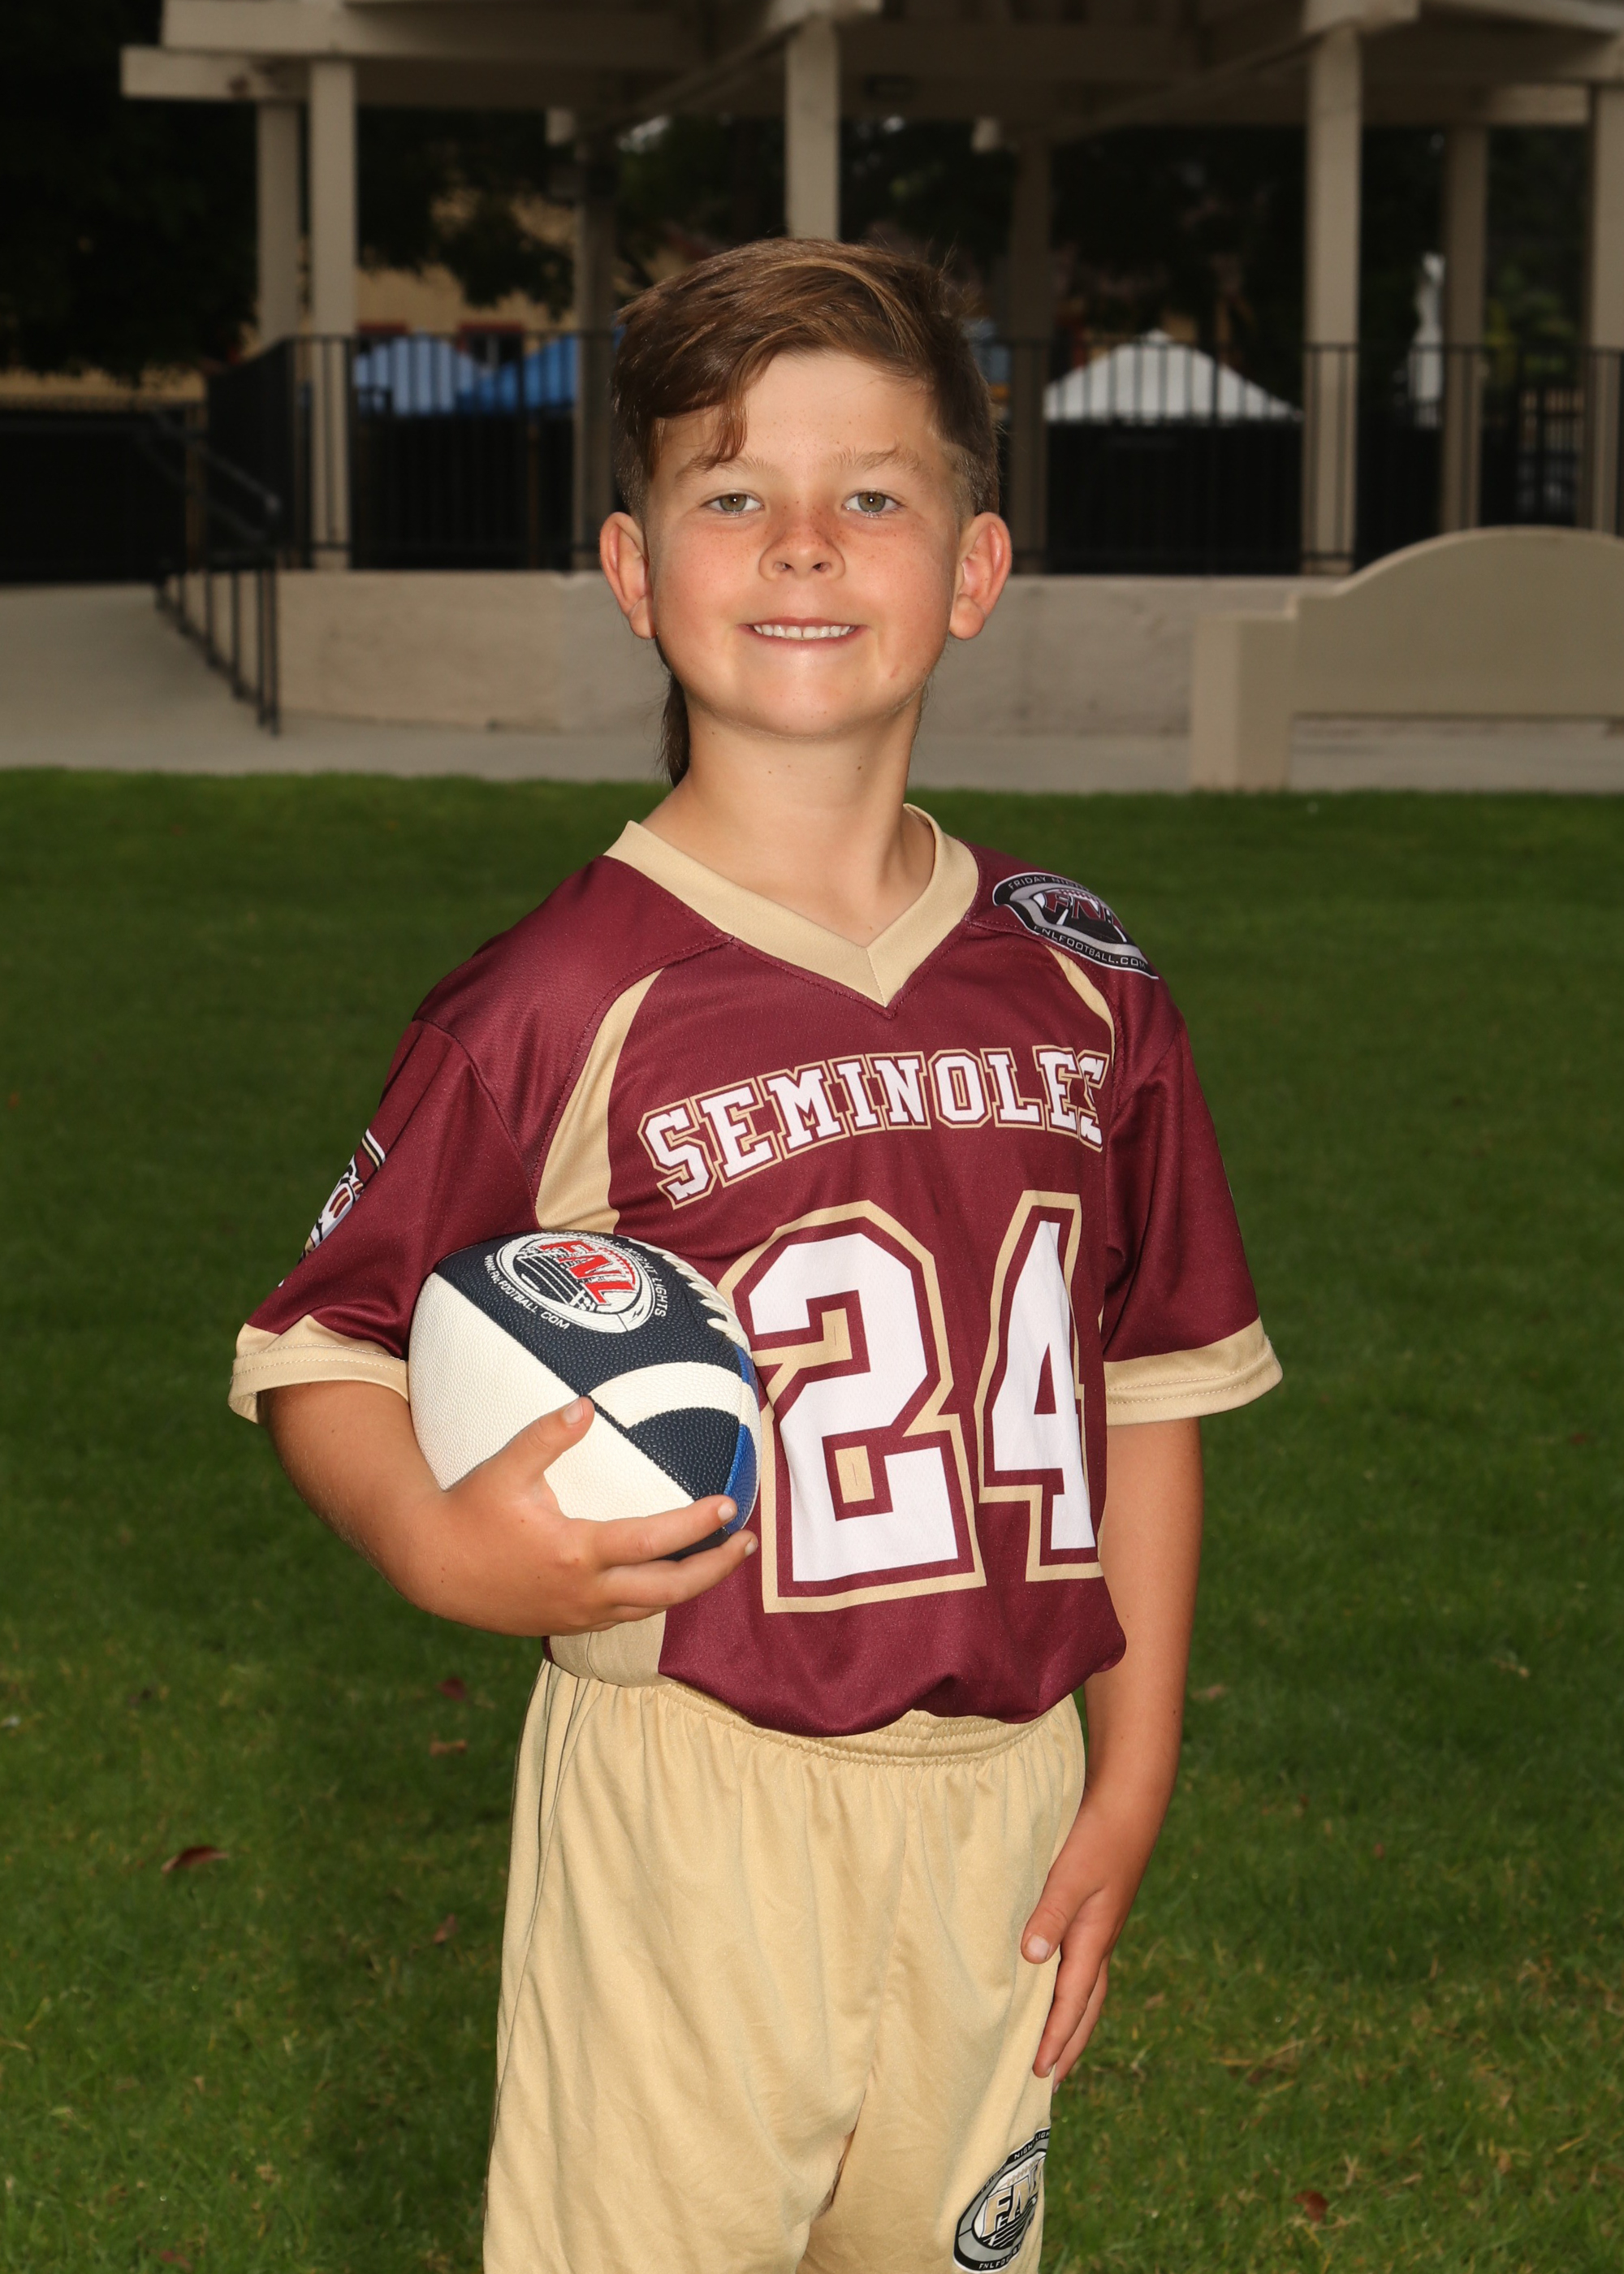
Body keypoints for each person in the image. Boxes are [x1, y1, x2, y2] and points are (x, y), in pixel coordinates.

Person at [232, 240, 1280, 2274]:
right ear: (637, 571)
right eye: (734, 493)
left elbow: (1147, 1379)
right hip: (694, 1793)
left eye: (871, 493)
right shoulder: (557, 995)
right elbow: (325, 1340)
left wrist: (1132, 1765)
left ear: (972, 567)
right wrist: (438, 1543)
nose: (804, 543)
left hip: (1000, 1796)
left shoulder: (1084, 980)